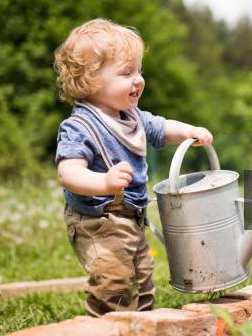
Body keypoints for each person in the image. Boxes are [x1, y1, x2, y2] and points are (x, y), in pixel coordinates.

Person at [53, 18, 213, 317]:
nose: (138, 79)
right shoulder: (80, 126)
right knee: (113, 283)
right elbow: (68, 172)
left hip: (131, 219)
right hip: (97, 220)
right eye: (126, 73)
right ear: (90, 81)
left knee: (141, 280)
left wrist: (189, 131)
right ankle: (107, 326)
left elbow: (162, 128)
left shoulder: (132, 116)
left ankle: (141, 324)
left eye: (139, 70)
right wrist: (103, 182)